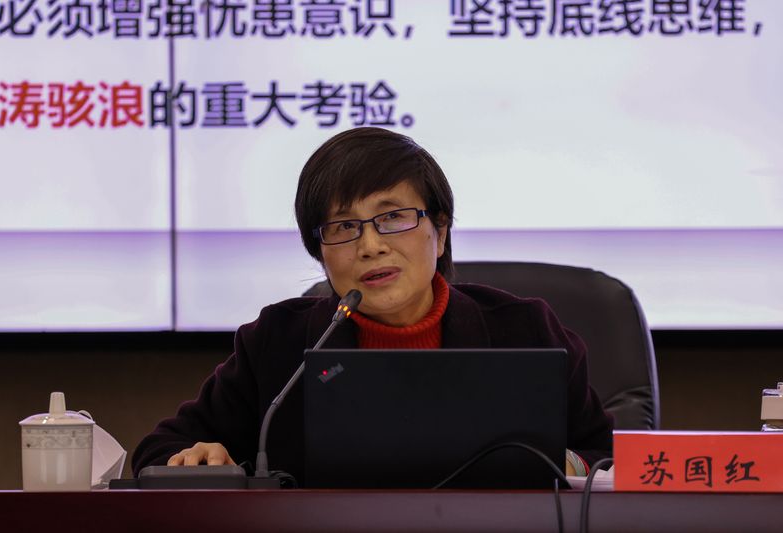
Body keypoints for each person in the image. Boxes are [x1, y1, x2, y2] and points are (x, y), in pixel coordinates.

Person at [132, 127, 613, 483]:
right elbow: (158, 449)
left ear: (440, 230)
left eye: (393, 217)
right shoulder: (276, 343)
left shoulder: (526, 331)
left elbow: (609, 457)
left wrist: (563, 464)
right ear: (319, 252)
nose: (370, 246)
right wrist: (196, 458)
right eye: (343, 227)